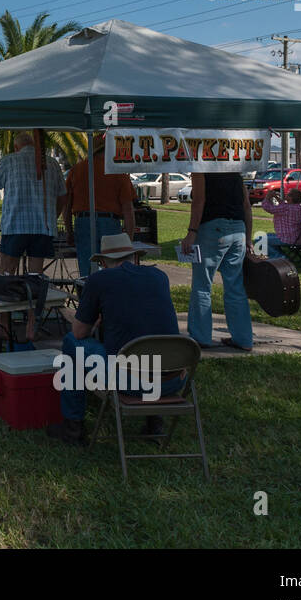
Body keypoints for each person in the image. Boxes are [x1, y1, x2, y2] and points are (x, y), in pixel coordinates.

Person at [46, 233, 183, 446]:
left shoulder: (99, 279)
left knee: (72, 343)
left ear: (102, 262)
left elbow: (80, 332)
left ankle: (73, 427)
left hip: (131, 381)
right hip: (173, 379)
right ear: (135, 258)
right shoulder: (159, 276)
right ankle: (155, 422)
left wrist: (94, 320)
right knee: (147, 354)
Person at [183, 172, 253, 350]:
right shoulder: (235, 171)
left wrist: (192, 231)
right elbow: (246, 206)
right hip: (238, 229)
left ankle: (201, 337)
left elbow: (199, 201)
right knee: (235, 287)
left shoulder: (201, 169)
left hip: (212, 227)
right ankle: (243, 338)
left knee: (202, 285)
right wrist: (248, 238)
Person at [0, 130, 66, 276]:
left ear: (16, 147)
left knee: (7, 270)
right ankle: (33, 296)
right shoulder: (52, 163)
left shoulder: (9, 160)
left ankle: (7, 296)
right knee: (36, 273)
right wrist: (53, 217)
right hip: (43, 226)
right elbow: (62, 195)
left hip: (15, 224)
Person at [63, 131, 136, 277]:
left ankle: (88, 296)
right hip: (110, 222)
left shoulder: (76, 170)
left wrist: (69, 231)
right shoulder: (118, 172)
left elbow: (67, 206)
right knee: (113, 267)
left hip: (83, 222)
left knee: (87, 269)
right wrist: (129, 237)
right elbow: (128, 209)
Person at [261, 187, 301, 253]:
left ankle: (279, 257)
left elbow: (268, 207)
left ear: (291, 198)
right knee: (267, 236)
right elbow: (283, 205)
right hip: (295, 237)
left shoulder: (287, 208)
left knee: (260, 240)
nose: (286, 195)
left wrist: (268, 197)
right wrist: (275, 197)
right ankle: (279, 255)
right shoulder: (298, 207)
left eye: (288, 194)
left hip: (286, 238)